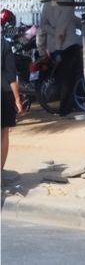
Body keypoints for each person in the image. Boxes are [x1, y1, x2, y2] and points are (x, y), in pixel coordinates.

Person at [40, 0, 83, 116]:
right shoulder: (68, 0)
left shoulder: (49, 2)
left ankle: (67, 107)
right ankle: (66, 109)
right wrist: (58, 44)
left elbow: (43, 25)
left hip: (55, 47)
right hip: (67, 45)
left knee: (63, 78)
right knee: (69, 78)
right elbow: (63, 26)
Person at [2, 36, 24, 179]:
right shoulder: (4, 44)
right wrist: (17, 99)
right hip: (2, 93)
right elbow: (11, 76)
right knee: (3, 133)